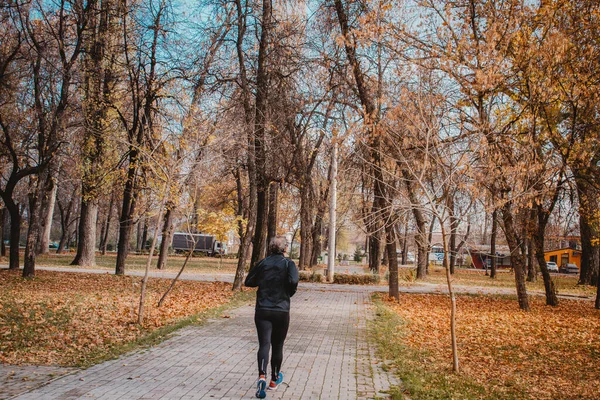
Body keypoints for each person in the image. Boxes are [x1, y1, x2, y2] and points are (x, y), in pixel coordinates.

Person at [244, 236, 299, 399]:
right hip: (281, 310)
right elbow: (294, 281)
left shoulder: (263, 263)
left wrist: (263, 282)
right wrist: (289, 292)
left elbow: (249, 281)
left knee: (264, 344)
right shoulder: (289, 264)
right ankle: (274, 380)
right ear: (285, 249)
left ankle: (262, 375)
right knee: (278, 345)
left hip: (262, 309)